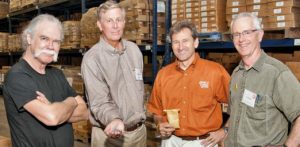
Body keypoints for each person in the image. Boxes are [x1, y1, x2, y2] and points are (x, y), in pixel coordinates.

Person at [3, 14, 88, 147]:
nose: (50, 46)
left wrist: (56, 110)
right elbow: (52, 118)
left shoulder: (57, 74)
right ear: (29, 38)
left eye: (56, 41)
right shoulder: (17, 76)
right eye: (44, 38)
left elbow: (84, 112)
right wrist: (71, 102)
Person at [147, 20, 230, 147]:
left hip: (203, 142)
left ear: (195, 42)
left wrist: (225, 130)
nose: (180, 47)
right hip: (170, 141)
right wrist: (160, 124)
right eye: (176, 42)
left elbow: (239, 105)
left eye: (185, 41)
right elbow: (156, 111)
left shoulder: (215, 72)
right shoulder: (163, 75)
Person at [224, 12, 300, 146]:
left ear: (259, 35)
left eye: (247, 32)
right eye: (236, 34)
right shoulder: (236, 74)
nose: (241, 39)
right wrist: (225, 134)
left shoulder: (277, 74)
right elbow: (235, 114)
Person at [81, 1, 146, 147]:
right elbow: (99, 101)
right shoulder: (92, 58)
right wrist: (114, 119)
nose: (115, 26)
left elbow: (139, 88)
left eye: (118, 20)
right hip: (110, 136)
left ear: (124, 22)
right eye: (109, 21)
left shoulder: (134, 50)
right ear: (99, 25)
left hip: (139, 133)